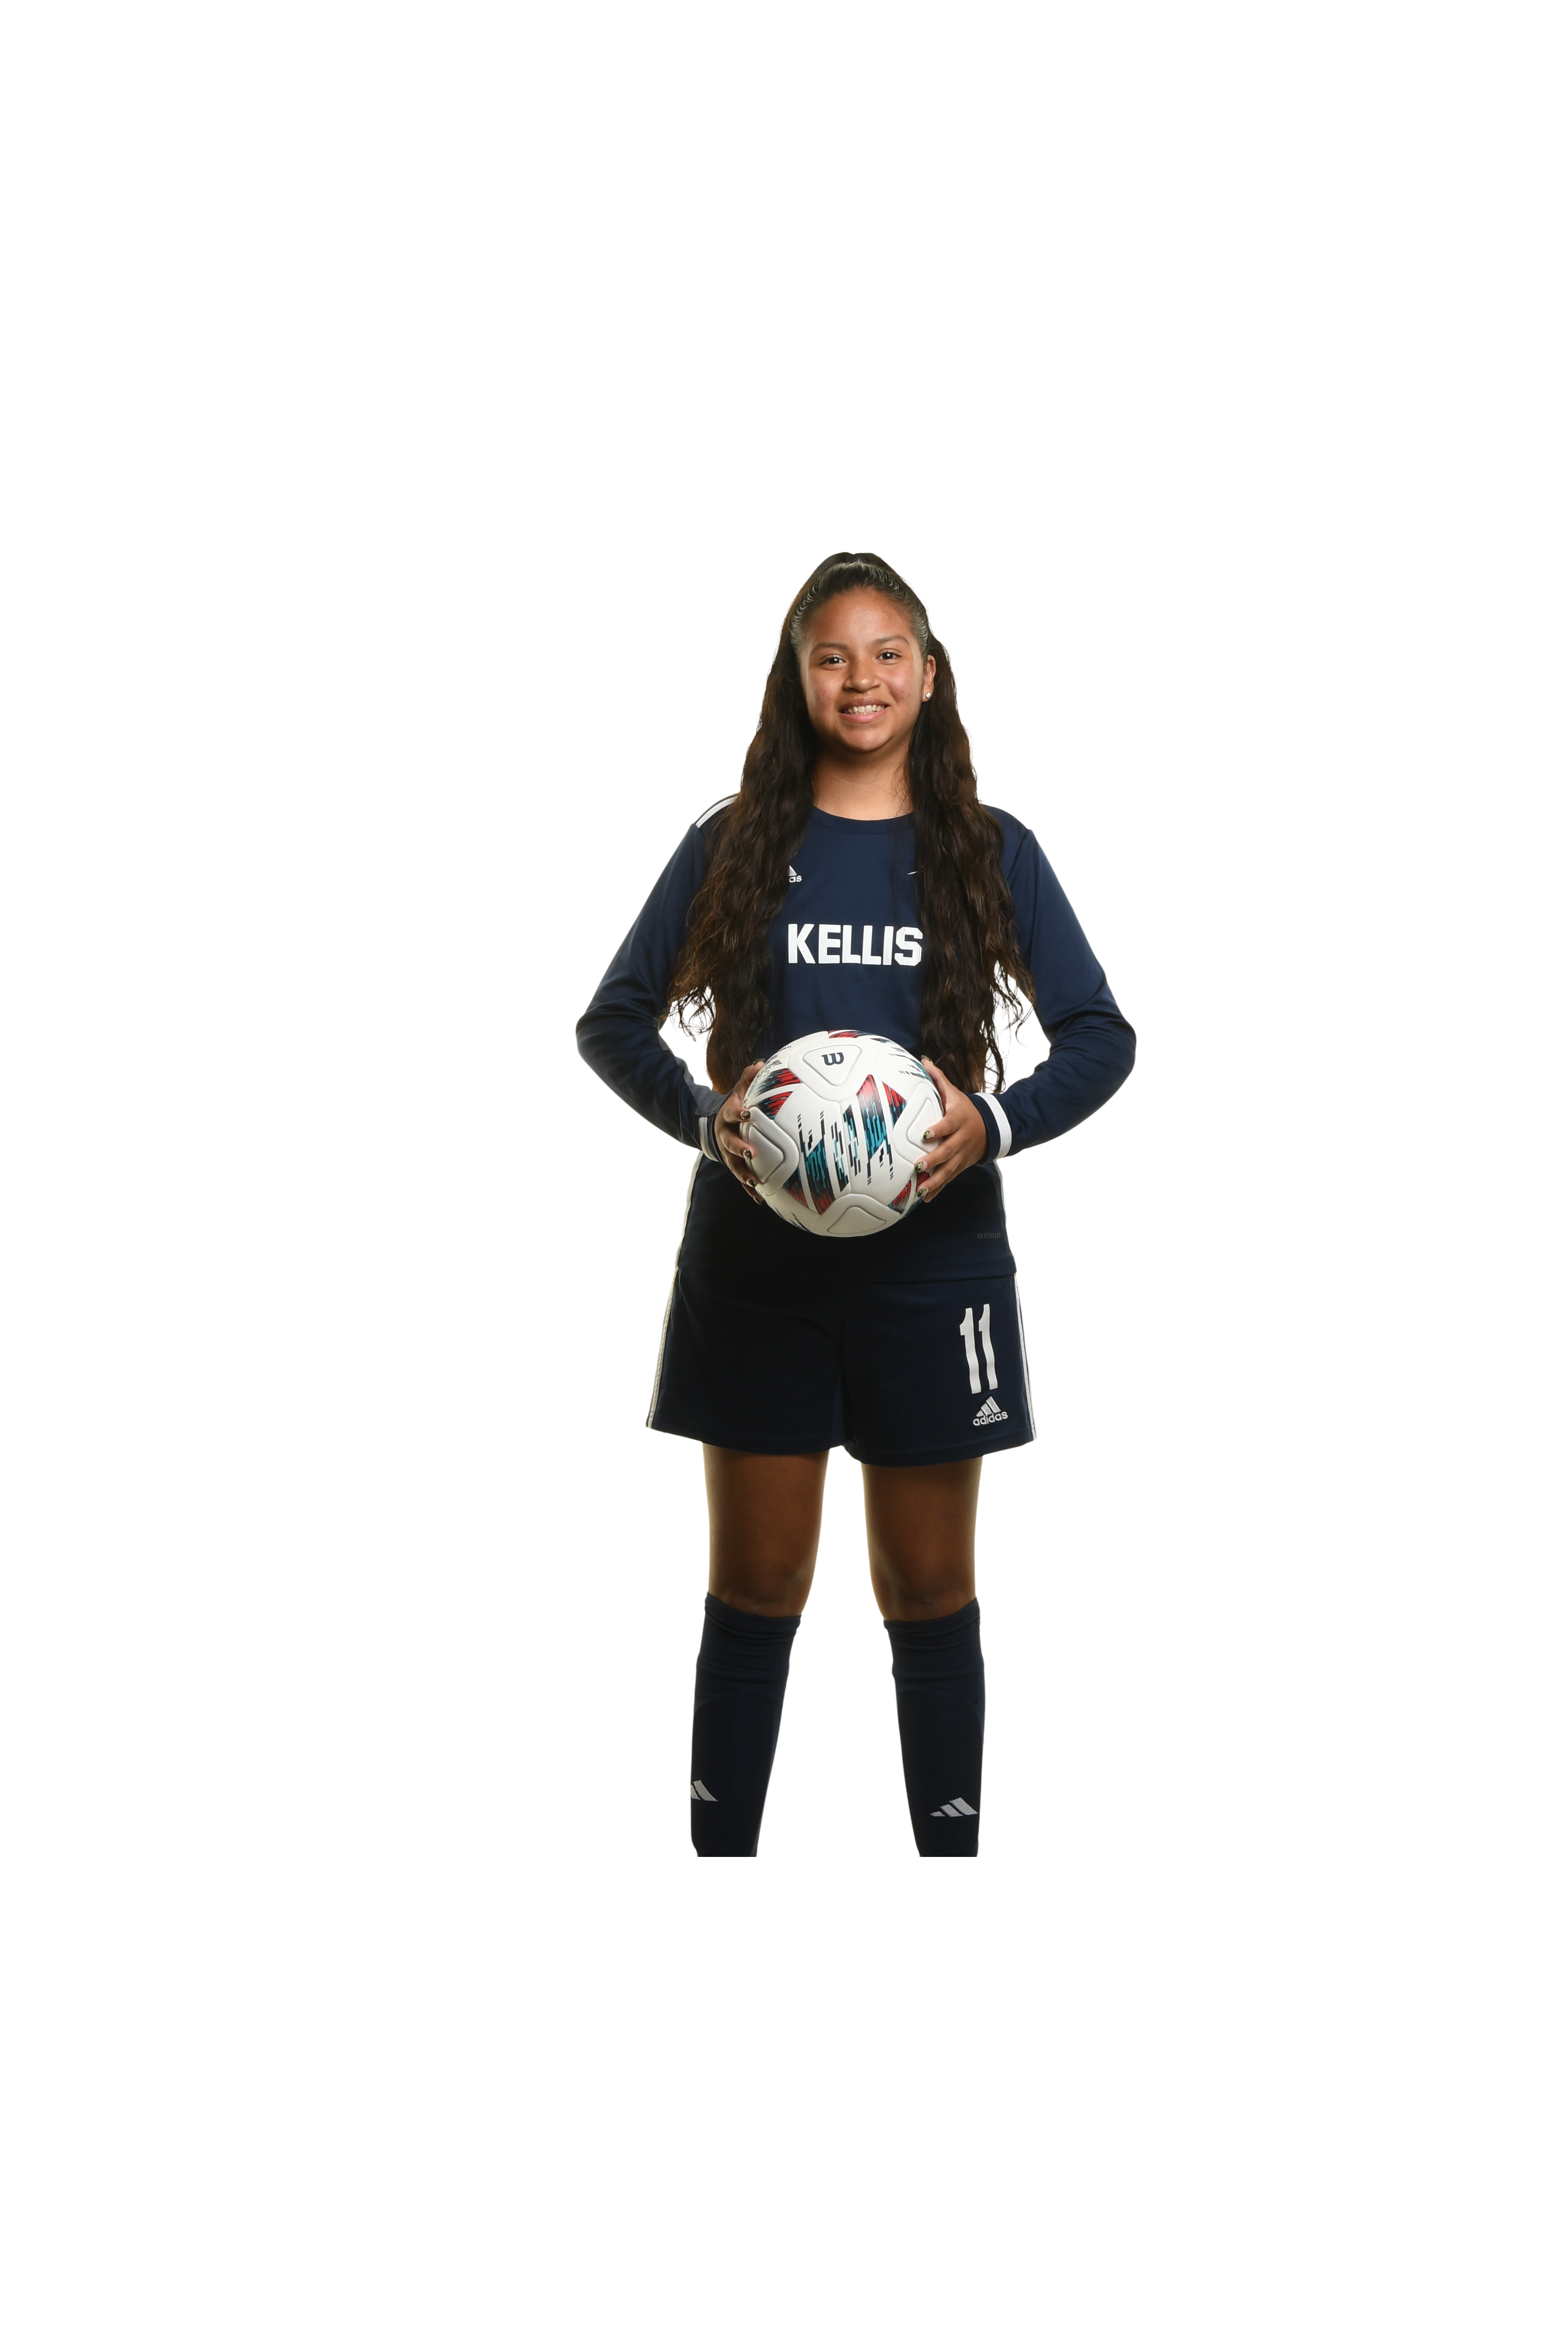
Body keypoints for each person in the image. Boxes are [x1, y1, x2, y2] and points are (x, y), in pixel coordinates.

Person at [577, 552, 1136, 1857]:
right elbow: (613, 1021)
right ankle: (722, 1872)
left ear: (929, 678)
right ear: (798, 679)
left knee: (931, 1593)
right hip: (757, 1275)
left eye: (888, 654)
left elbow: (1102, 1037)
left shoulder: (992, 852)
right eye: (832, 656)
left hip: (936, 1273)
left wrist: (993, 1120)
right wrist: (704, 1118)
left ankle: (950, 1874)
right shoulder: (732, 844)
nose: (861, 678)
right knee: (757, 1587)